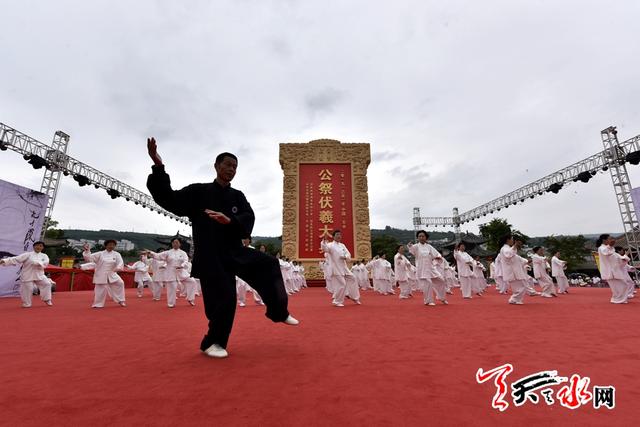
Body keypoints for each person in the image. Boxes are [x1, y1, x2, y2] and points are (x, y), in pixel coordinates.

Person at [146, 139, 296, 359]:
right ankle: (213, 342)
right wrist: (158, 166)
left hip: (234, 251)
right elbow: (169, 198)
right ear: (216, 166)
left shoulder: (238, 196)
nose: (231, 170)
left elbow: (248, 218)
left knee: (269, 264)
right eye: (227, 165)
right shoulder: (198, 192)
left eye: (235, 167)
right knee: (225, 299)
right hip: (210, 256)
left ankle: (278, 311)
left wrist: (230, 221)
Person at [146, 238, 197, 308]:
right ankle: (171, 303)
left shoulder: (183, 253)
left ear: (180, 244)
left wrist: (181, 266)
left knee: (192, 281)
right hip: (171, 272)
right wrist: (150, 253)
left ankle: (190, 298)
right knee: (172, 287)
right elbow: (158, 255)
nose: (175, 244)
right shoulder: (168, 252)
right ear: (172, 244)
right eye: (174, 242)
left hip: (181, 272)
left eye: (177, 242)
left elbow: (186, 261)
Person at [0, 241, 53, 308]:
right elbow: (16, 259)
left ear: (42, 248)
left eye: (41, 246)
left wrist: (38, 263)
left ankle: (47, 299)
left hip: (39, 274)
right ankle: (27, 303)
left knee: (47, 284)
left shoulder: (44, 256)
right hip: (27, 274)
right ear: (34, 246)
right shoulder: (27, 254)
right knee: (28, 289)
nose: (39, 247)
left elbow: (45, 263)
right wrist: (4, 261)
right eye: (37, 245)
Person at [321, 230, 361, 306]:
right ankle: (337, 301)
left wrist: (345, 257)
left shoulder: (342, 245)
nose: (339, 236)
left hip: (344, 267)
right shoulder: (330, 245)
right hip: (336, 268)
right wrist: (323, 242)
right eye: (337, 234)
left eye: (340, 234)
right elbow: (325, 249)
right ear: (333, 236)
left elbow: (348, 254)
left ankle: (354, 297)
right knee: (342, 284)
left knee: (353, 278)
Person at [83, 240, 126, 308]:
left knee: (120, 283)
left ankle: (121, 300)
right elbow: (89, 258)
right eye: (110, 244)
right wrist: (87, 251)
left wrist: (118, 268)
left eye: (113, 245)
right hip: (101, 274)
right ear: (106, 245)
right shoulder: (100, 254)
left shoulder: (117, 254)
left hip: (112, 273)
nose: (111, 246)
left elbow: (120, 262)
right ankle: (98, 304)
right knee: (100, 289)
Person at [408, 231, 447, 305]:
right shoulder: (416, 246)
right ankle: (428, 301)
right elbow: (412, 250)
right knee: (427, 284)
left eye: (423, 236)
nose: (421, 238)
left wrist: (438, 257)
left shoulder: (429, 247)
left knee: (441, 280)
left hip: (430, 268)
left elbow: (436, 254)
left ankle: (441, 297)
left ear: (426, 237)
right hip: (422, 269)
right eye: (419, 236)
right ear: (417, 238)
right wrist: (410, 246)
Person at [597, 234, 628, 304]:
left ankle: (618, 299)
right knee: (618, 286)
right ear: (604, 240)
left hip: (614, 269)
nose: (610, 240)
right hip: (609, 271)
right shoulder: (601, 248)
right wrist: (610, 246)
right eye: (609, 239)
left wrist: (623, 258)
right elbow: (606, 253)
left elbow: (615, 256)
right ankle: (617, 299)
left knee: (622, 285)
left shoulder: (610, 248)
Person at [499, 235, 529, 305]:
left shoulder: (508, 248)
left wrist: (525, 261)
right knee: (520, 287)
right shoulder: (504, 248)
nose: (513, 241)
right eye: (512, 239)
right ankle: (513, 299)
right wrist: (515, 246)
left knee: (521, 286)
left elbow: (515, 257)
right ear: (507, 240)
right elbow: (508, 255)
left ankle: (515, 299)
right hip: (512, 271)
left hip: (514, 271)